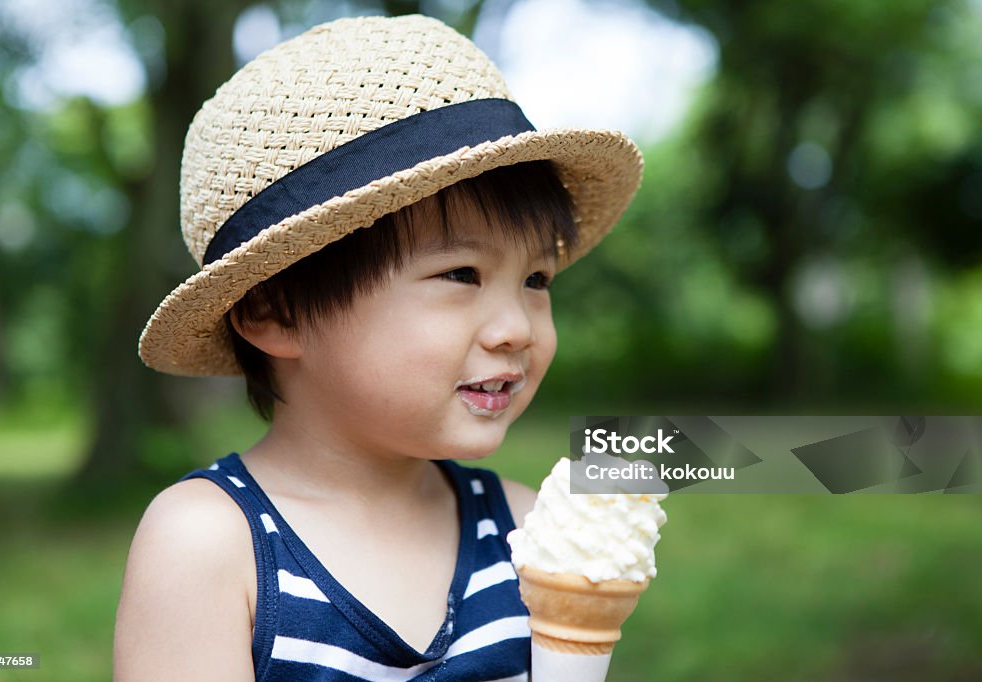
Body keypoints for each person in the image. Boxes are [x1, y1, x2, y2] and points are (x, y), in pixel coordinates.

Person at [113, 13, 642, 682]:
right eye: (460, 275)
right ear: (274, 311)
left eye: (536, 279)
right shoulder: (211, 545)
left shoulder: (529, 531)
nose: (517, 327)